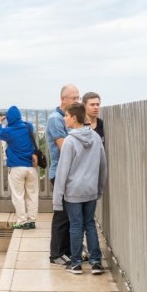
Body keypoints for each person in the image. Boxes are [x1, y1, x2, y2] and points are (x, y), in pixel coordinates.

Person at [52, 102, 107, 275]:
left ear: (74, 118)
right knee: (90, 224)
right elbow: (103, 166)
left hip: (73, 191)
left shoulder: (69, 141)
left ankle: (75, 263)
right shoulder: (96, 138)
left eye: (66, 116)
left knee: (75, 226)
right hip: (90, 189)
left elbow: (62, 172)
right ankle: (96, 262)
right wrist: (99, 188)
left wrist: (57, 199)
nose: (64, 118)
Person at [46, 84, 80, 265]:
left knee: (69, 215)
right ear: (63, 99)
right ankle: (56, 254)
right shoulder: (55, 120)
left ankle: (67, 251)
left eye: (78, 98)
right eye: (73, 98)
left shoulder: (71, 119)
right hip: (60, 173)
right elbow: (64, 148)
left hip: (71, 174)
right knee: (61, 214)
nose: (77, 101)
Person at [0, 106, 38, 229]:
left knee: (18, 195)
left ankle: (22, 221)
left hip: (16, 167)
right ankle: (32, 220)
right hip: (31, 167)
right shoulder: (28, 126)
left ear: (8, 118)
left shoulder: (8, 131)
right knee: (32, 194)